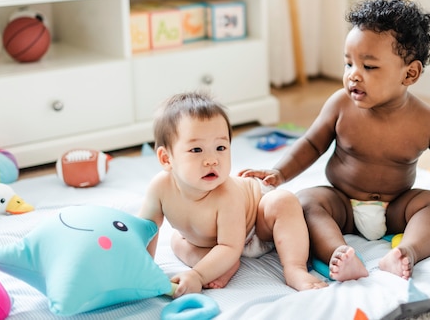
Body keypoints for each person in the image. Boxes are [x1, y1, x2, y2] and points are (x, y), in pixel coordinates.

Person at [239, 0, 430, 281]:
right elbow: (312, 144)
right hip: (342, 203)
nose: (354, 75)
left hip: (396, 206)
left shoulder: (427, 122)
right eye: (348, 64)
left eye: (369, 67)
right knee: (305, 203)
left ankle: (406, 253)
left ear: (410, 74)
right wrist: (279, 173)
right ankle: (339, 254)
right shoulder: (340, 105)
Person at [138, 91, 327, 298]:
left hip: (258, 227)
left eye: (220, 147)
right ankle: (223, 265)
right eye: (196, 150)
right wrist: (142, 270)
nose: (212, 160)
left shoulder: (227, 193)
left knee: (283, 201)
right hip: (216, 243)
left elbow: (230, 245)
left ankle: (295, 269)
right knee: (177, 241)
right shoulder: (159, 188)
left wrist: (198, 276)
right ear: (166, 159)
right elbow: (145, 230)